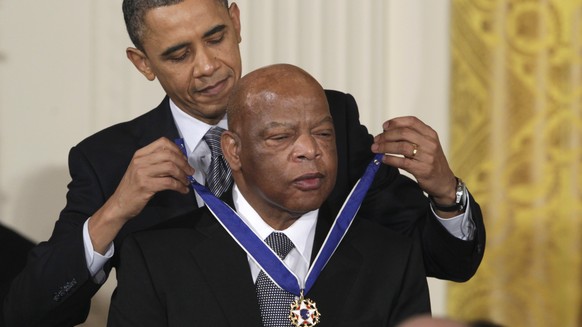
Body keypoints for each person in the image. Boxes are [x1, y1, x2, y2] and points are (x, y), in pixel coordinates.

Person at [3, 0, 484, 326]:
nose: (208, 65)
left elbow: (440, 261)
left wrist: (447, 195)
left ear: (236, 21)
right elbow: (29, 313)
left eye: (215, 37)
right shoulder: (108, 159)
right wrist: (114, 211)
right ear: (142, 62)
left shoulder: (326, 118)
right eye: (178, 54)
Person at [108, 63, 431, 327]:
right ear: (233, 151)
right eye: (281, 136)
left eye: (323, 133)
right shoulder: (158, 259)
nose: (310, 150)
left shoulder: (391, 259)